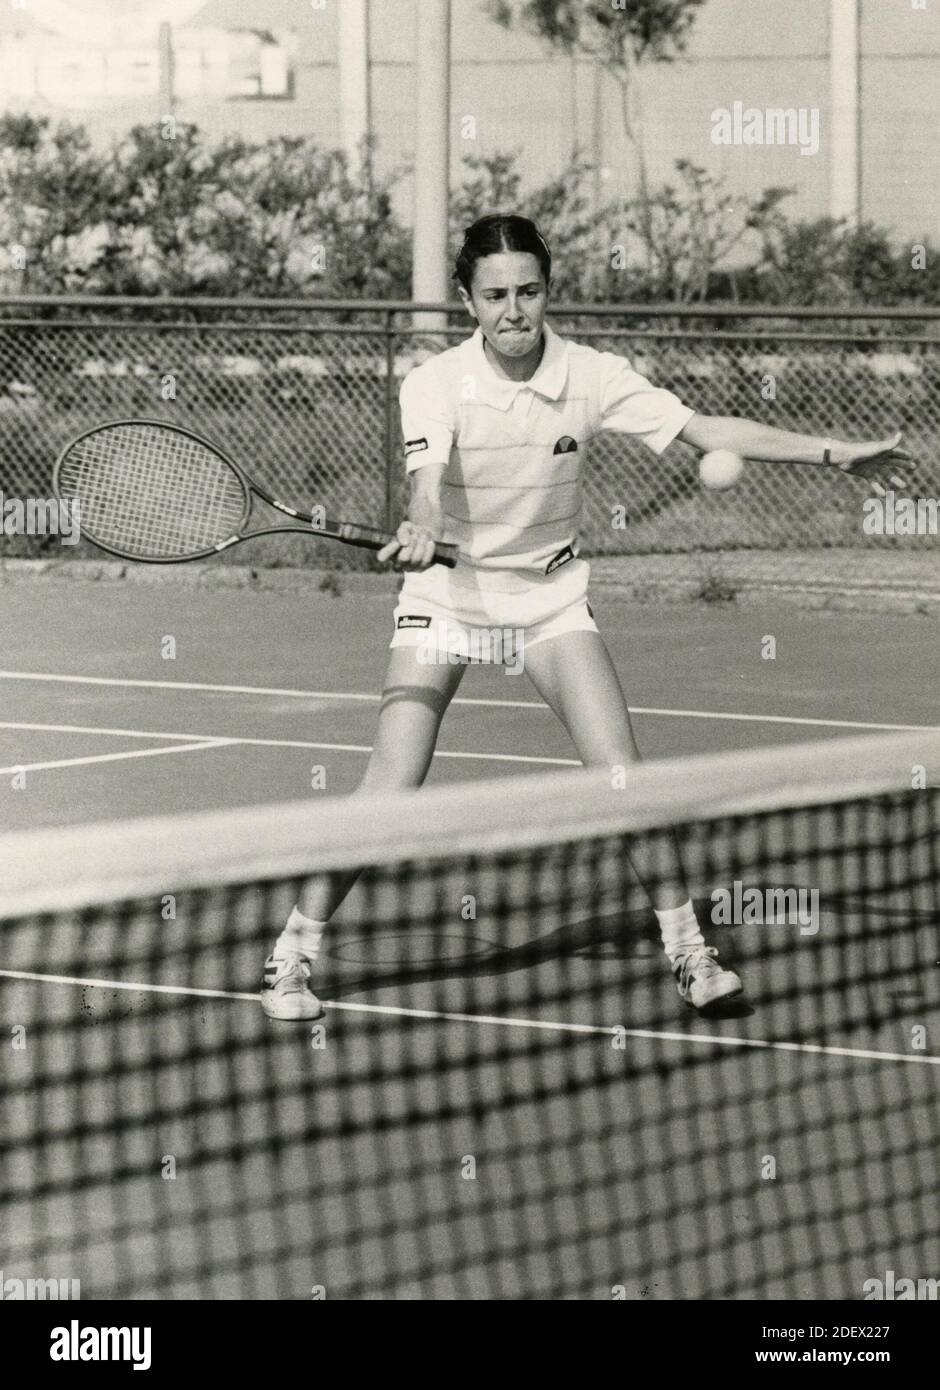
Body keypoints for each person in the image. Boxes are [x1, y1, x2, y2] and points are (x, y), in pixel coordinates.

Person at [261, 213, 911, 1023]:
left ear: (547, 293)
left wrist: (834, 453)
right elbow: (426, 480)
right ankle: (291, 956)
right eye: (494, 294)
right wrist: (423, 521)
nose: (513, 311)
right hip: (449, 600)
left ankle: (689, 952)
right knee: (391, 787)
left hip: (549, 600)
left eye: (528, 292)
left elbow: (707, 431)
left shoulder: (592, 376)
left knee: (622, 780)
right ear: (466, 301)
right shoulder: (434, 384)